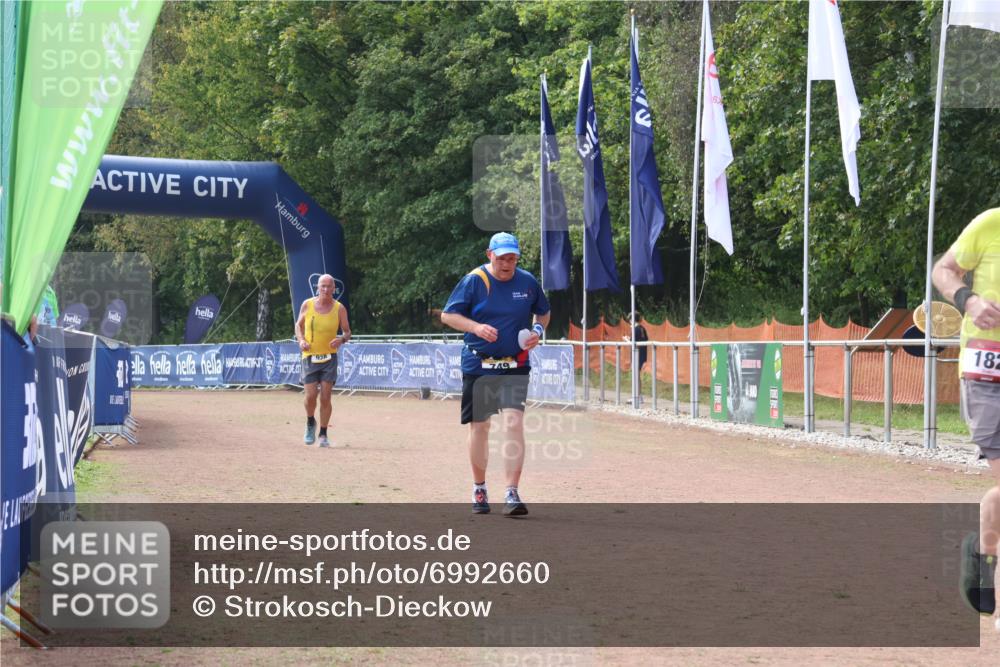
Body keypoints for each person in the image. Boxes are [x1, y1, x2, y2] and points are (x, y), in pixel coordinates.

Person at [441, 232, 551, 516]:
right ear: (489, 254)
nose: (507, 264)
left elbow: (543, 312)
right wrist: (476, 328)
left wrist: (538, 330)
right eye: (502, 258)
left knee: (514, 422)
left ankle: (512, 492)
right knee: (481, 426)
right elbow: (448, 315)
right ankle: (479, 487)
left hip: (516, 363)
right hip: (479, 364)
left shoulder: (527, 281)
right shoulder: (475, 281)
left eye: (512, 258)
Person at [932, 207, 1000, 621]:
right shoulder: (991, 222)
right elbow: (944, 270)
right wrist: (968, 300)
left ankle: (983, 549)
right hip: (986, 371)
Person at [294, 274, 351, 448]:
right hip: (310, 356)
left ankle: (323, 434)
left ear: (334, 289)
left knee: (326, 397)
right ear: (317, 288)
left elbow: (347, 332)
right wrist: (301, 340)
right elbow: (298, 326)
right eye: (322, 286)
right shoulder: (307, 304)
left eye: (329, 286)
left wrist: (341, 339)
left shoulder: (339, 308)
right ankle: (311, 421)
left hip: (329, 358)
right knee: (311, 396)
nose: (326, 290)